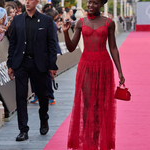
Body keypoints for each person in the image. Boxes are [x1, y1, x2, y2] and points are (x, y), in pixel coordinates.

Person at [62, 0, 125, 148]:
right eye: (88, 2)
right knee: (88, 103)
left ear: (101, 4)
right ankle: (87, 138)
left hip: (104, 66)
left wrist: (120, 71)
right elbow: (71, 48)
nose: (90, 6)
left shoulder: (109, 23)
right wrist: (65, 33)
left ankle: (97, 138)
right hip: (87, 66)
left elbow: (114, 48)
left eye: (94, 3)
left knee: (100, 104)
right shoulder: (80, 23)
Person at [7, 0, 58, 141]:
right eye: (26, 0)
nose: (27, 2)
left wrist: (52, 65)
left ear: (37, 2)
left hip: (39, 63)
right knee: (21, 96)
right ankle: (23, 130)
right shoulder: (17, 20)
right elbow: (13, 44)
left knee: (43, 95)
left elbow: (52, 44)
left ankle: (44, 119)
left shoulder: (46, 21)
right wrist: (10, 64)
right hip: (21, 63)